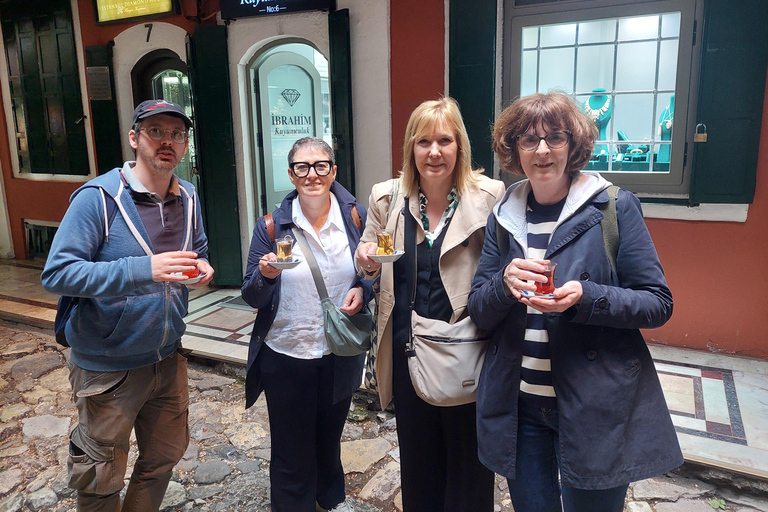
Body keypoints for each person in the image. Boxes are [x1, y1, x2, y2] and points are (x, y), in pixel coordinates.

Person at [468, 91, 683, 512]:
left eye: (555, 137)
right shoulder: (503, 215)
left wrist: (588, 297)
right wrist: (502, 284)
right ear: (513, 149)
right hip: (521, 405)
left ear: (574, 144)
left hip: (594, 407)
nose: (542, 150)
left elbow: (658, 303)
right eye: (528, 140)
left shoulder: (613, 207)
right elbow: (479, 309)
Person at [41, 99, 214, 512]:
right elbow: (58, 274)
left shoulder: (187, 196)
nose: (167, 142)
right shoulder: (97, 198)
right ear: (135, 138)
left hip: (167, 360)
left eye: (177, 134)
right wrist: (144, 269)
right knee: (100, 475)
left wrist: (202, 266)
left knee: (162, 459)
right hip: (107, 367)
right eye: (156, 132)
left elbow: (199, 249)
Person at [356, 97, 505, 512]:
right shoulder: (387, 198)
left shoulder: (490, 197)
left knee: (470, 468)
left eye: (444, 140)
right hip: (409, 351)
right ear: (410, 148)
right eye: (423, 142)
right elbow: (367, 263)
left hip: (468, 353)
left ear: (459, 146)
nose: (434, 152)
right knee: (418, 467)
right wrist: (365, 262)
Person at [241, 137, 371, 512]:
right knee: (290, 447)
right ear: (291, 174)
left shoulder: (354, 218)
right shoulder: (270, 227)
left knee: (329, 440)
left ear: (333, 170)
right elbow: (251, 295)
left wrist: (363, 288)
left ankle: (327, 501)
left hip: (338, 353)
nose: (311, 174)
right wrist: (265, 275)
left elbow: (368, 271)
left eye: (320, 166)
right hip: (285, 354)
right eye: (302, 167)